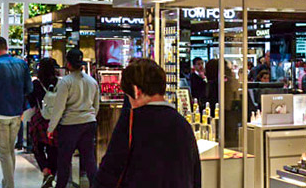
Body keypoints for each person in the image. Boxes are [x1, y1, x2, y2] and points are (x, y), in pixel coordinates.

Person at [94, 59, 200, 188]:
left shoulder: (132, 121)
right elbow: (194, 173)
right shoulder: (182, 123)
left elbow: (110, 171)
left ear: (136, 90)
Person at [0, 37, 32, 188]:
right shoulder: (22, 64)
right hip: (17, 112)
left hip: (0, 112)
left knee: (4, 152)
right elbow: (29, 89)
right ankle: (6, 181)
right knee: (10, 149)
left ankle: (9, 184)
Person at [46, 49, 99, 188]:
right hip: (89, 122)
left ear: (68, 64)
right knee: (89, 160)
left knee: (64, 161)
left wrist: (51, 127)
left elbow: (59, 108)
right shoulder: (92, 81)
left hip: (70, 125)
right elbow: (96, 105)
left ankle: (61, 186)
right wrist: (90, 117)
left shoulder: (65, 82)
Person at [28, 58, 59, 188]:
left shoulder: (36, 84)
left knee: (37, 147)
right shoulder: (60, 83)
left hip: (40, 120)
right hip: (55, 120)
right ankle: (51, 173)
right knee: (54, 148)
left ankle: (45, 171)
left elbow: (31, 101)